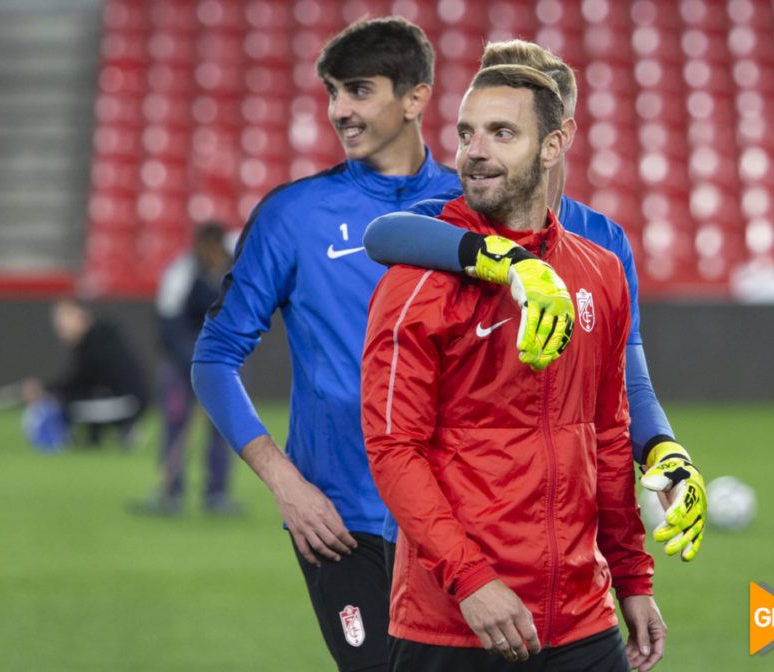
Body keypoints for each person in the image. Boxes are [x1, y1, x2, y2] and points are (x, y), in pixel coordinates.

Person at [190, 17, 570, 671]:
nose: (340, 111)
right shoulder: (294, 215)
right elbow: (214, 358)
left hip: (471, 519)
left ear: (415, 98)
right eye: (334, 93)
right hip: (343, 523)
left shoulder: (477, 201)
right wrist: (285, 483)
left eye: (359, 91)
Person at [362, 64, 665, 672]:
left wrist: (631, 576)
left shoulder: (600, 272)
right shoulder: (418, 278)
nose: (475, 152)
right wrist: (470, 580)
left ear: (554, 144)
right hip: (456, 624)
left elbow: (606, 437)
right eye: (466, 133)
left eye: (502, 133)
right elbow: (393, 449)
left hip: (584, 619)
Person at [136, 222, 242, 515]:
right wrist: (195, 362)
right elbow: (168, 327)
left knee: (223, 427)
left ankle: (216, 494)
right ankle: (172, 493)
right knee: (175, 420)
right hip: (182, 362)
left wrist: (219, 359)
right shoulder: (180, 272)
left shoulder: (233, 270)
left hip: (222, 362)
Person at [22, 299, 149, 448]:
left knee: (69, 406)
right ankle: (96, 437)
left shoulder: (97, 343)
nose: (60, 324)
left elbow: (78, 381)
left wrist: (43, 389)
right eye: (57, 319)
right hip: (118, 398)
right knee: (76, 400)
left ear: (83, 315)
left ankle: (126, 426)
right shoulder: (92, 341)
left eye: (67, 316)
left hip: (129, 403)